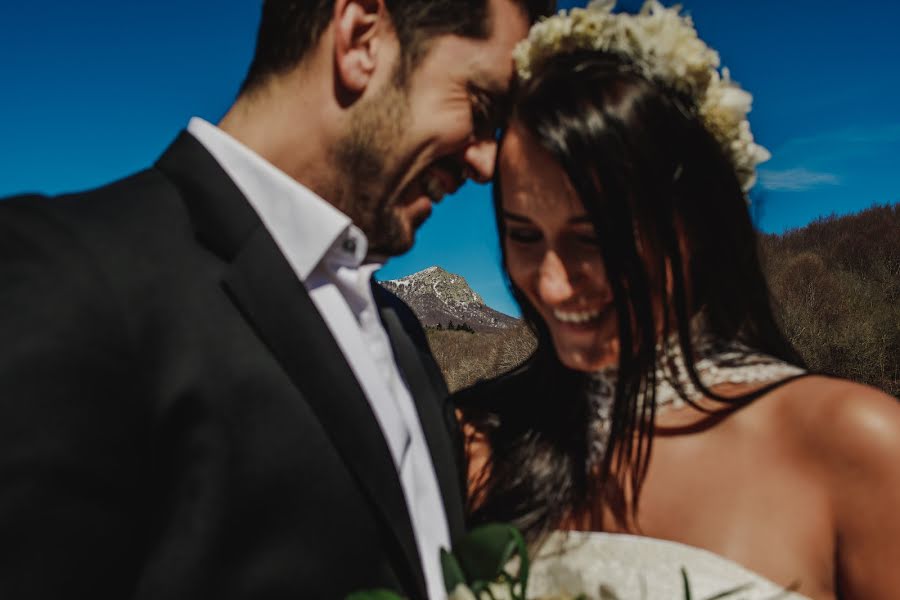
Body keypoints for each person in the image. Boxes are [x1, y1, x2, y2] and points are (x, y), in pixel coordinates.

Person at [0, 0, 552, 598]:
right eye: (481, 107)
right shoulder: (67, 267)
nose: (487, 161)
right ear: (361, 37)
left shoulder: (408, 334)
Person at [456, 3, 900, 599]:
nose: (554, 284)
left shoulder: (857, 447)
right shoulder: (480, 441)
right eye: (524, 236)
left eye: (595, 239)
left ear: (699, 226)